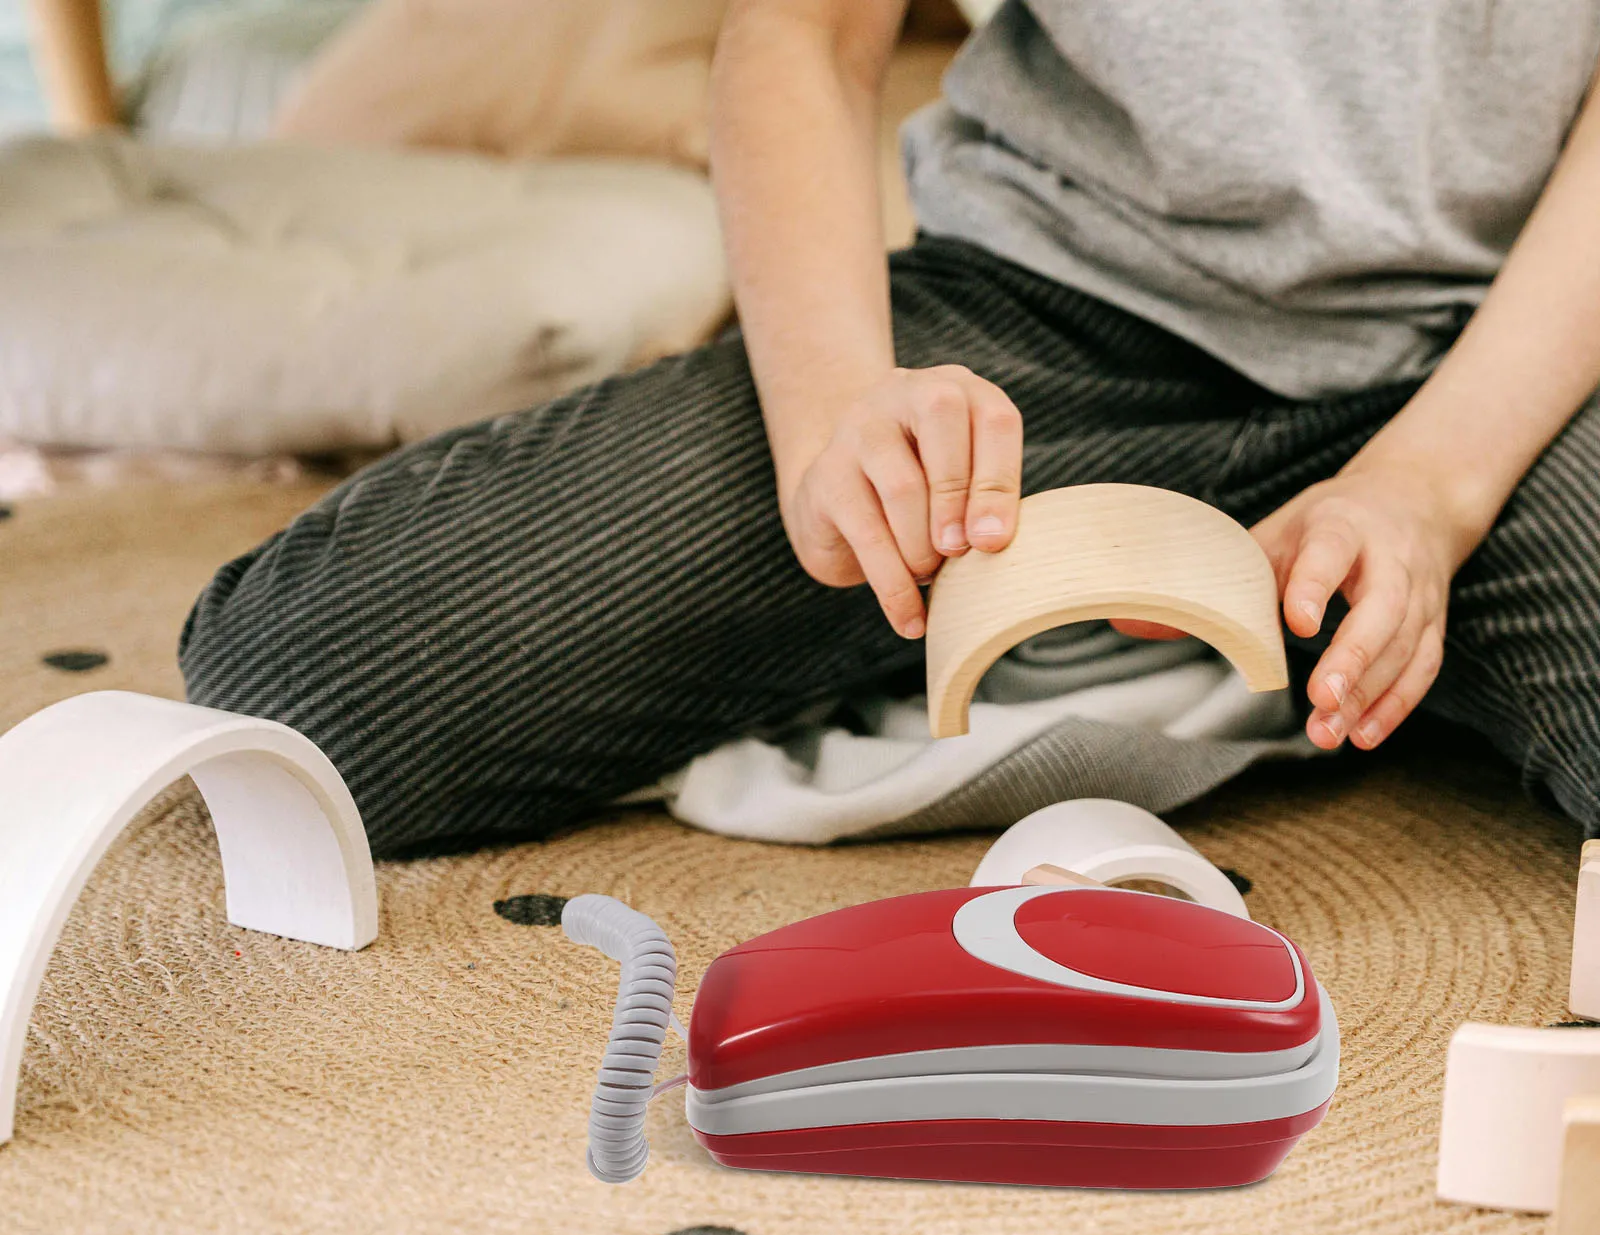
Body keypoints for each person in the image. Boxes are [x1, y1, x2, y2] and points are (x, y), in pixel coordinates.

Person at [181, 0, 1600, 855]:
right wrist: (832, 414)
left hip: (1505, 363)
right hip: (1044, 316)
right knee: (304, 693)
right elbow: (803, 35)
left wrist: (1430, 488)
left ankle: (1394, 630)